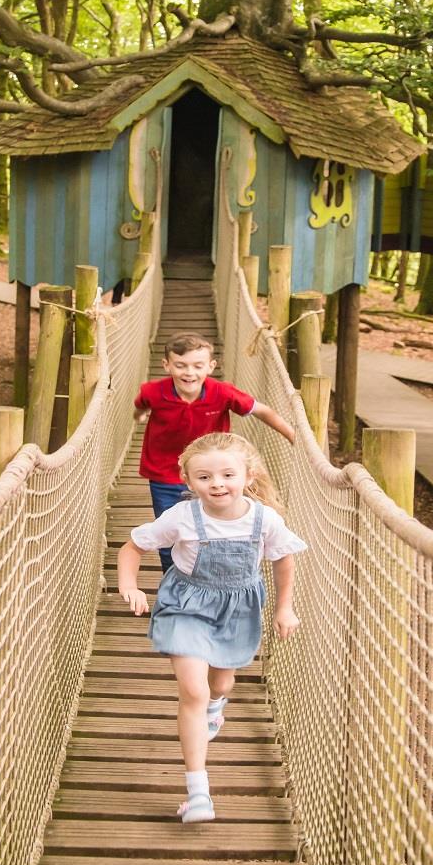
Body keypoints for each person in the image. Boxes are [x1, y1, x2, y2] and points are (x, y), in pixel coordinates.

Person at [116, 432, 305, 824]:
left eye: (227, 475)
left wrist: (284, 608)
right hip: (185, 605)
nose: (216, 483)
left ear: (248, 475)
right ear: (188, 482)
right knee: (193, 691)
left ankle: (218, 706)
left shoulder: (264, 519)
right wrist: (129, 586)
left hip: (237, 608)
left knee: (219, 685)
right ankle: (198, 793)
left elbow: (283, 559)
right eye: (204, 477)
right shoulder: (182, 516)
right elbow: (133, 547)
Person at [134, 333, 296, 570]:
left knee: (214, 523)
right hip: (165, 473)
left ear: (211, 367)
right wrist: (139, 416)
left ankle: (212, 575)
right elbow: (140, 406)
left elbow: (263, 411)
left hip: (213, 472)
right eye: (180, 366)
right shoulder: (153, 392)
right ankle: (175, 577)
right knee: (169, 529)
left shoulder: (222, 392)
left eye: (197, 366)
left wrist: (294, 438)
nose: (189, 372)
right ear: (167, 365)